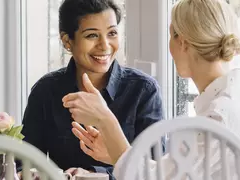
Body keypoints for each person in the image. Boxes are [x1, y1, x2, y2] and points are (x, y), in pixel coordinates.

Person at [64, 0, 240, 179]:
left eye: (171, 35)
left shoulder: (219, 117)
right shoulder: (238, 100)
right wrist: (113, 155)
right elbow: (170, 173)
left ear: (183, 42)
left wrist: (105, 119)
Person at [19, 0, 164, 179]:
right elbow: (24, 161)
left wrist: (95, 174)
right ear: (67, 41)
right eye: (92, 35)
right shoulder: (46, 90)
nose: (104, 45)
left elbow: (155, 168)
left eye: (112, 33)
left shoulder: (144, 90)